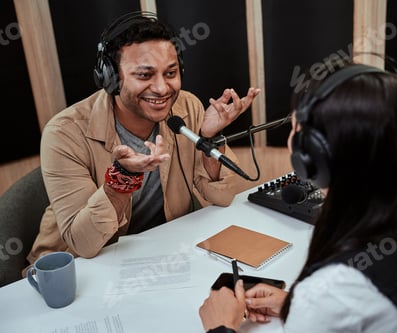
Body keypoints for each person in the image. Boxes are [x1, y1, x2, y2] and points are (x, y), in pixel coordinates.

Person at [199, 61, 397, 332]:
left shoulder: (332, 292)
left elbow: (343, 301)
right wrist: (295, 303)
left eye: (296, 131)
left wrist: (221, 326)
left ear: (312, 155)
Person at [23, 11, 260, 273]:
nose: (161, 88)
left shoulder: (186, 107)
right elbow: (84, 243)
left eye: (170, 73)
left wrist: (209, 139)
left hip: (158, 255)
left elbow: (224, 197)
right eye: (145, 76)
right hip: (77, 268)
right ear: (110, 78)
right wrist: (122, 179)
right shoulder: (64, 133)